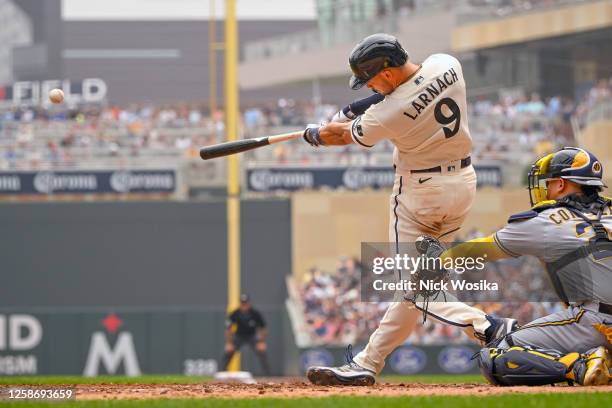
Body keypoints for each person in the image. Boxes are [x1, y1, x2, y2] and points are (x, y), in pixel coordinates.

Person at [303, 33, 515, 386]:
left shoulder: (387, 115)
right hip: (462, 187)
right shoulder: (446, 64)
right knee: (417, 286)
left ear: (385, 72)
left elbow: (341, 136)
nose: (368, 86)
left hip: (420, 196)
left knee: (412, 288)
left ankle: (488, 326)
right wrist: (352, 109)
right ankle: (367, 363)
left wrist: (315, 134)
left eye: (369, 79)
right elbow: (403, 90)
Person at [419, 147, 612, 386]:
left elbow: (484, 248)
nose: (544, 188)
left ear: (561, 185)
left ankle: (580, 365)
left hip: (595, 322)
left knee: (496, 354)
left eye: (549, 182)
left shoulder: (547, 220)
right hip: (597, 321)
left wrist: (437, 262)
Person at [221, 294, 270, 375]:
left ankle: (268, 375)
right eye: (242, 303)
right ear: (240, 303)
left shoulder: (255, 313)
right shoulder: (235, 313)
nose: (244, 305)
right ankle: (222, 373)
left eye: (245, 303)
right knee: (228, 351)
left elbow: (263, 328)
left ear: (249, 303)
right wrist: (229, 343)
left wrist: (261, 342)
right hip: (239, 336)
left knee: (262, 352)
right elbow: (228, 329)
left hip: (252, 336)